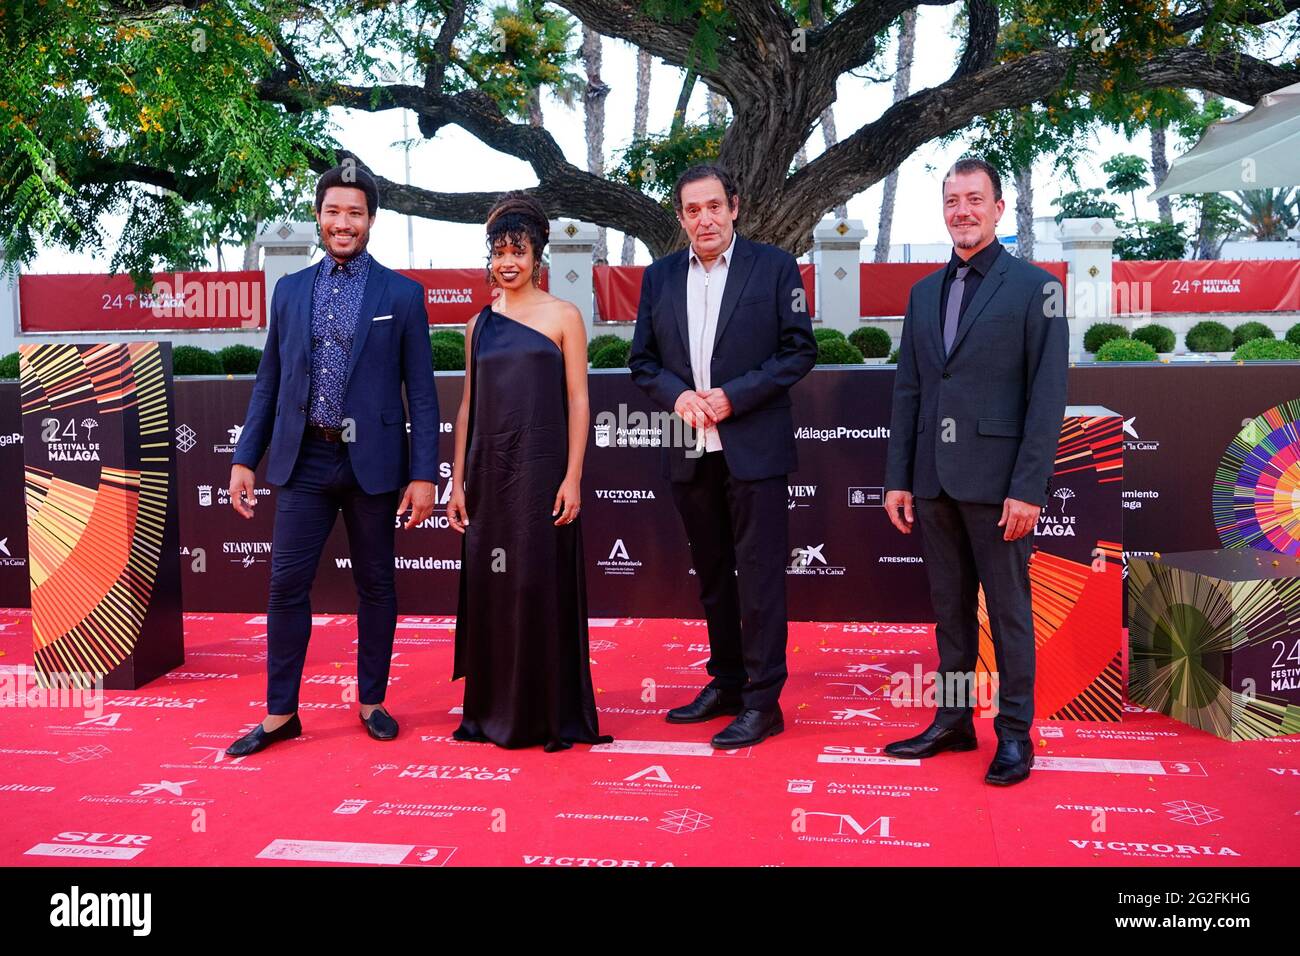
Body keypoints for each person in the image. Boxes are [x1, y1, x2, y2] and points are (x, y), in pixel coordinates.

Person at [224, 164, 439, 756]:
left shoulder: (402, 295)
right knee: (286, 586)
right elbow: (270, 380)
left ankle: (372, 701)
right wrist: (246, 456)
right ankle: (280, 713)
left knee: (376, 585)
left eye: (355, 213)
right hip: (304, 462)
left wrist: (424, 474)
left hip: (373, 465)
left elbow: (420, 392)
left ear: (371, 220)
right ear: (318, 217)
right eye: (333, 212)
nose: (343, 223)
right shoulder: (290, 291)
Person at [882, 156, 1068, 786]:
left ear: (998, 209)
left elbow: (1047, 397)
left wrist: (1028, 489)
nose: (962, 210)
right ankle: (954, 720)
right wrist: (898, 477)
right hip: (933, 480)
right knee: (950, 611)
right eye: (952, 200)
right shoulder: (923, 292)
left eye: (974, 199)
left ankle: (1015, 734)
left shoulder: (1035, 288)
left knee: (1009, 613)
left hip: (998, 487)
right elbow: (910, 390)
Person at [628, 163, 817, 749]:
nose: (704, 219)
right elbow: (644, 362)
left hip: (752, 447)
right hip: (690, 447)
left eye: (714, 207)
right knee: (713, 577)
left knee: (758, 577)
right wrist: (676, 395)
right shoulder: (659, 278)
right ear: (681, 217)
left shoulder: (774, 267)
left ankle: (764, 701)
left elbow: (797, 352)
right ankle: (728, 681)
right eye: (692, 210)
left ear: (734, 207)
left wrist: (735, 396)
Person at [446, 191, 612, 752]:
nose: (507, 262)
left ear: (538, 256)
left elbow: (580, 401)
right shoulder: (477, 325)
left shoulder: (564, 315)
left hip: (542, 474)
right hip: (488, 475)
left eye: (518, 251)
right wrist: (457, 479)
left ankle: (548, 714)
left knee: (539, 584)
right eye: (498, 252)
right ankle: (491, 712)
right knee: (494, 588)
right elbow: (468, 405)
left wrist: (573, 476)